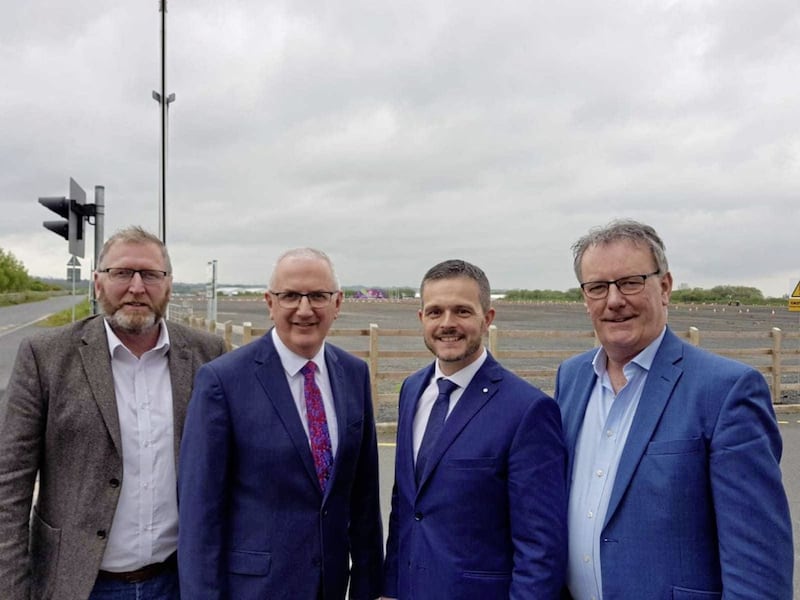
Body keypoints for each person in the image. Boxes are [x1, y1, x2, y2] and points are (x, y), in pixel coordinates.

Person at [556, 219, 794, 599]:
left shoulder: (726, 390)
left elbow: (757, 563)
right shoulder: (571, 378)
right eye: (598, 287)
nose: (614, 300)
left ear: (664, 287)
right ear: (585, 299)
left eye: (631, 282)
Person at [0, 226, 227, 600]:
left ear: (168, 285)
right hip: (78, 584)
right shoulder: (47, 357)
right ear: (98, 283)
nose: (136, 287)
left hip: (179, 582)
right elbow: (10, 484)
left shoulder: (208, 355)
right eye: (121, 273)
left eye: (151, 275)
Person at [178, 247, 383, 600]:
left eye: (318, 296)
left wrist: (369, 587)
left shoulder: (354, 374)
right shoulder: (223, 381)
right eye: (290, 296)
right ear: (269, 302)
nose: (304, 310)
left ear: (337, 303)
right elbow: (200, 516)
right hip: (254, 589)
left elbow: (363, 501)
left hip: (332, 588)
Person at [382, 259, 568, 600]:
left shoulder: (527, 410)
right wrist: (391, 588)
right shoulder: (412, 390)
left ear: (487, 318)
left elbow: (541, 546)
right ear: (421, 319)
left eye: (462, 312)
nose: (447, 323)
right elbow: (406, 506)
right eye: (435, 312)